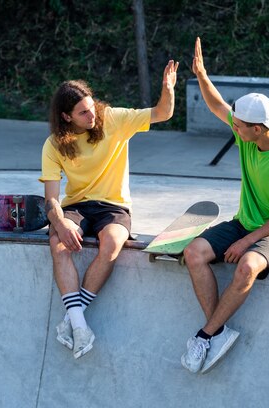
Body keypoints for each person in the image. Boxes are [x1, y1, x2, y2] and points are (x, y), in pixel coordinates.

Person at [180, 37, 269, 373]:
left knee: (247, 266)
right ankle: (217, 331)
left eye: (238, 127)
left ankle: (204, 336)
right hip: (243, 221)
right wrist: (202, 75)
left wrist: (246, 241)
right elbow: (219, 106)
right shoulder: (246, 134)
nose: (232, 129)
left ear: (259, 128)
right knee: (193, 253)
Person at [40, 60, 179, 359]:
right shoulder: (54, 144)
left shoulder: (113, 120)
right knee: (59, 245)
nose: (92, 115)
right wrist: (61, 223)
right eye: (83, 113)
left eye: (92, 107)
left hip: (113, 207)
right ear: (66, 117)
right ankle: (80, 326)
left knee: (113, 242)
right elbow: (51, 199)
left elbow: (162, 113)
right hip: (76, 206)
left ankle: (73, 321)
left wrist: (168, 90)